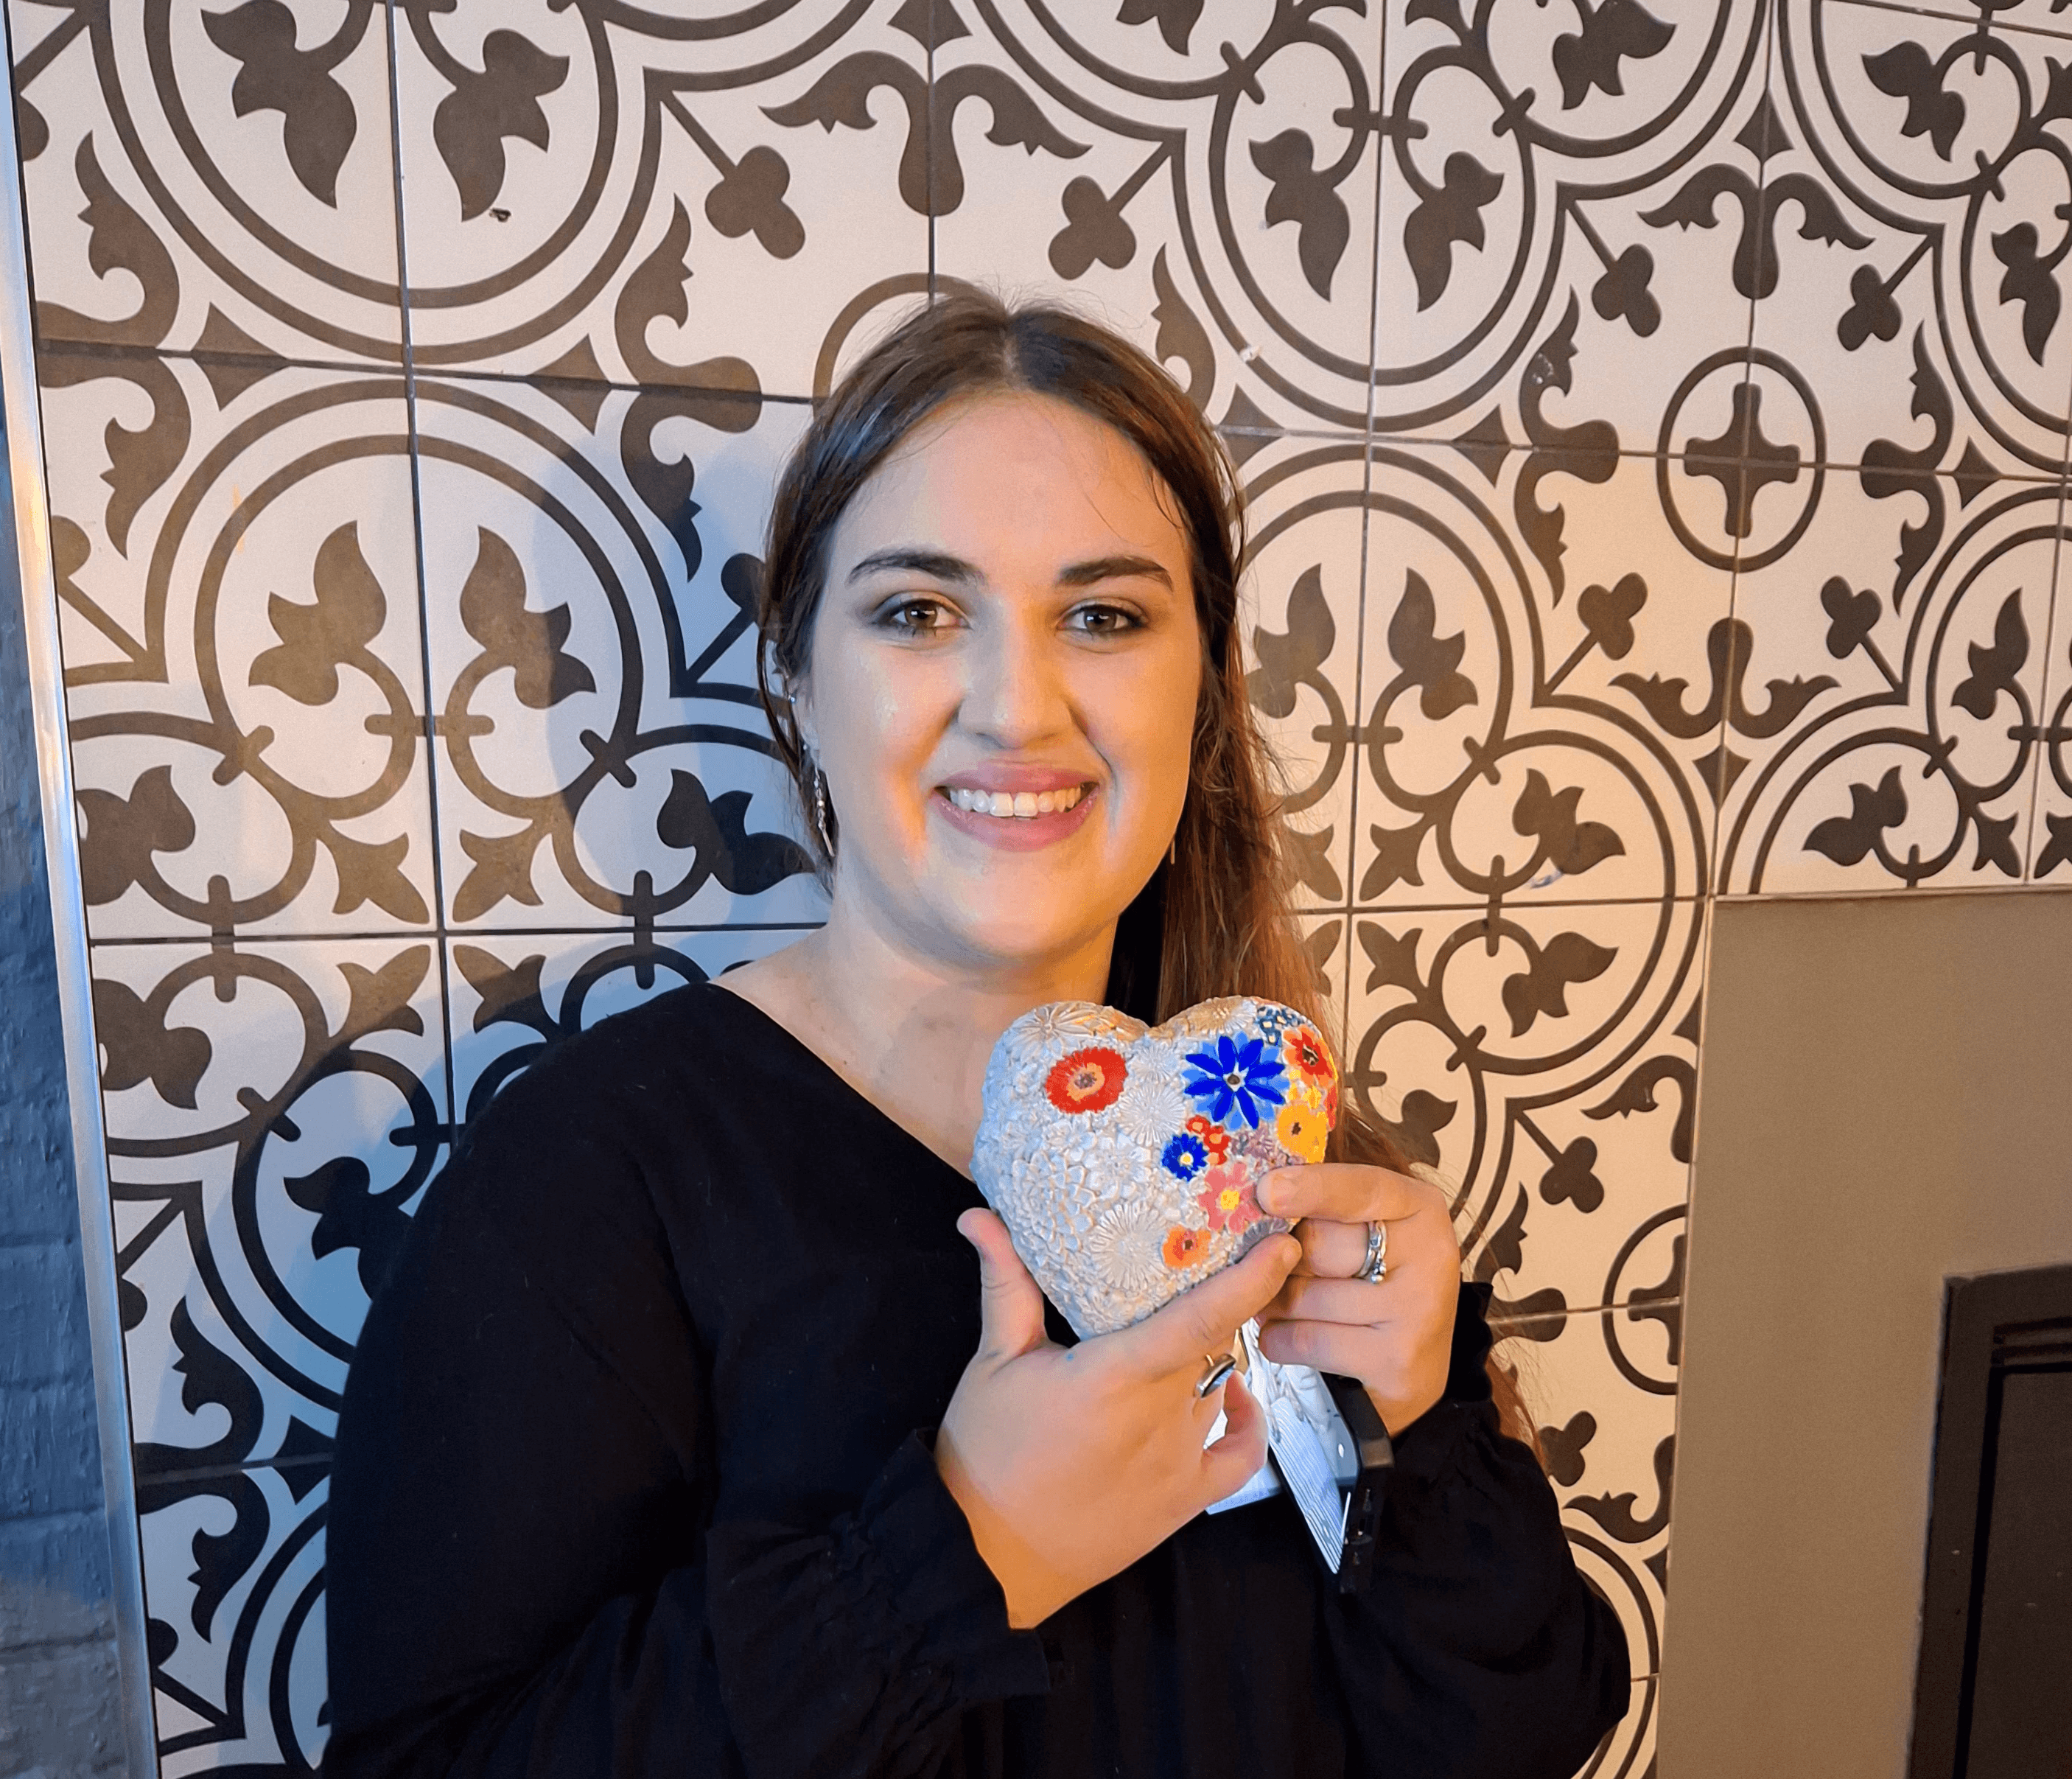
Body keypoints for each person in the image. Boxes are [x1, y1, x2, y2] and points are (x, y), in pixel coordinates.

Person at [323, 293, 1630, 1778]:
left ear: (1200, 693)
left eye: (1104, 614)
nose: (1017, 706)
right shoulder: (584, 1183)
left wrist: (1420, 1426)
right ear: (798, 684)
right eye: (916, 611)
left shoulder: (1290, 1160)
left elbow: (1519, 1731)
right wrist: (961, 1553)